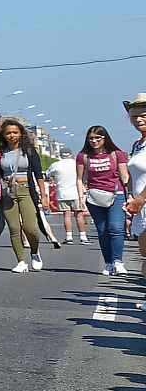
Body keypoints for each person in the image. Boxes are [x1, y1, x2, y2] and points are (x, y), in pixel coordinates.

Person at [0, 117, 47, 273]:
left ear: (21, 133)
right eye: (8, 133)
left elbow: (38, 174)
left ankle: (34, 252)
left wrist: (44, 195)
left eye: (15, 132)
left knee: (31, 228)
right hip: (8, 193)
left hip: (26, 190)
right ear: (3, 135)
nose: (12, 135)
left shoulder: (29, 151)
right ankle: (21, 261)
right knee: (14, 228)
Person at [79, 125, 129, 275]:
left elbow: (124, 176)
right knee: (102, 230)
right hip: (94, 196)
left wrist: (130, 195)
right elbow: (79, 179)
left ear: (104, 138)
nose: (94, 141)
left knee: (115, 228)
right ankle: (108, 263)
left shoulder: (116, 154)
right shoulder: (83, 156)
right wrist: (81, 195)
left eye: (97, 138)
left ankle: (118, 261)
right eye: (91, 138)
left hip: (116, 194)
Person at [124, 94, 146, 275]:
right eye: (134, 116)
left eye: (144, 115)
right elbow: (133, 175)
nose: (138, 119)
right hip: (140, 206)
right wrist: (131, 196)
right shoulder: (137, 144)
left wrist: (141, 198)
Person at [48, 139, 86, 245]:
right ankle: (83, 237)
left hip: (62, 193)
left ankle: (69, 237)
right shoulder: (76, 164)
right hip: (77, 193)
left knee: (66, 215)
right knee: (79, 215)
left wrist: (54, 178)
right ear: (71, 154)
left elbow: (47, 174)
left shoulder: (56, 165)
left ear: (60, 154)